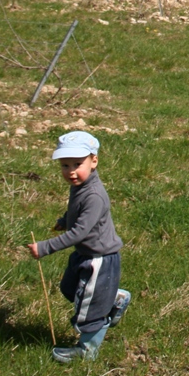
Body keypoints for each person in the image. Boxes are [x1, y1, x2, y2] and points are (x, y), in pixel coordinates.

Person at [26, 131, 131, 363]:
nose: (71, 171)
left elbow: (79, 232)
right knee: (69, 289)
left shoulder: (94, 195)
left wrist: (45, 247)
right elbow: (78, 214)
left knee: (88, 311)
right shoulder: (80, 186)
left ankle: (87, 350)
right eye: (65, 165)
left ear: (94, 161)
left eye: (77, 164)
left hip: (99, 259)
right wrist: (65, 219)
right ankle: (113, 298)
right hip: (84, 254)